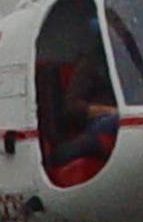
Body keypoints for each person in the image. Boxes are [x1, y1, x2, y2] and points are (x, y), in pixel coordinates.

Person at [46, 35, 119, 170]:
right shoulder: (91, 64)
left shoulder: (135, 67)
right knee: (118, 120)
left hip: (132, 120)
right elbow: (72, 107)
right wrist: (113, 111)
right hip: (99, 124)